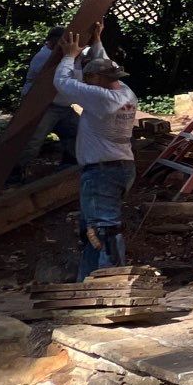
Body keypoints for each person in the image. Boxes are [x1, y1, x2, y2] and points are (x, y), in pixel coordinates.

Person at [53, 23, 140, 280]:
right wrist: (97, 40)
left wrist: (70, 56)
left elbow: (62, 82)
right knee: (93, 228)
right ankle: (88, 283)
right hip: (121, 166)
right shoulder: (125, 92)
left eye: (90, 77)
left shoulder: (100, 97)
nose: (87, 80)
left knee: (103, 229)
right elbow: (105, 65)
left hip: (103, 171)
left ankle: (109, 283)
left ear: (96, 81)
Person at [12, 26, 81, 181]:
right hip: (43, 106)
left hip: (62, 106)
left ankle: (69, 165)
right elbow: (67, 76)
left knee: (77, 132)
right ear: (52, 41)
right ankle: (15, 172)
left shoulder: (63, 56)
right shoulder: (45, 57)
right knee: (33, 140)